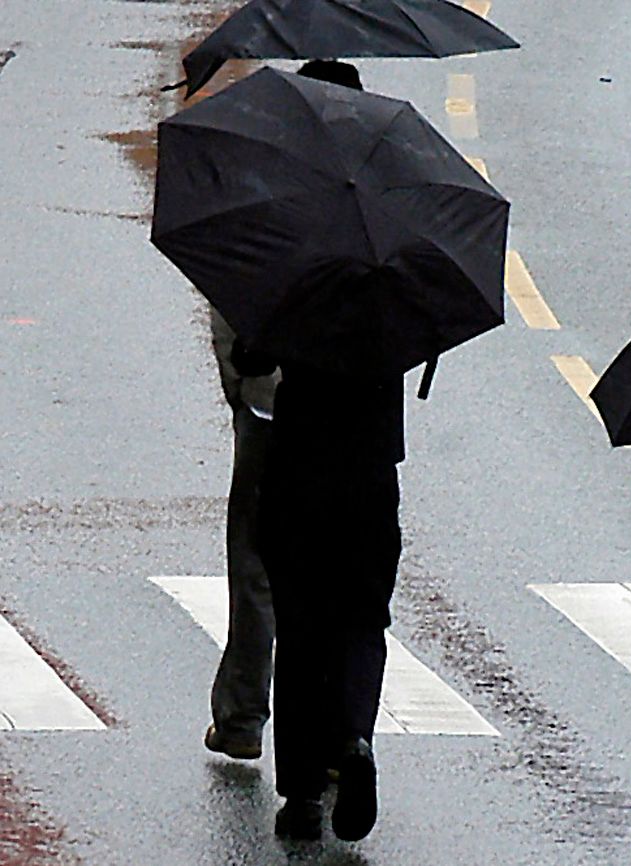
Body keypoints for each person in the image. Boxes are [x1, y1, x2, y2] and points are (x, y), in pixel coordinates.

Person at [237, 60, 405, 844]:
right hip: (372, 465)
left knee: (301, 623)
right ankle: (356, 739)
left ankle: (302, 794)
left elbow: (252, 353)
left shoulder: (287, 222)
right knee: (363, 615)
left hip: (300, 457)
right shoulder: (400, 221)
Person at [203, 308, 279, 761]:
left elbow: (227, 319)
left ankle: (243, 716)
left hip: (269, 408)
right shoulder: (381, 264)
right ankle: (337, 735)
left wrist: (242, 392)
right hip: (351, 423)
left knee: (255, 566)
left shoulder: (260, 260)